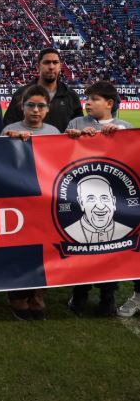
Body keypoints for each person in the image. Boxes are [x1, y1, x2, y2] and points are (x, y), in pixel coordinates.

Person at [65, 81, 133, 317]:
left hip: (112, 199)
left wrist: (118, 138)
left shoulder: (125, 127)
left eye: (93, 99)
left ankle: (108, 294)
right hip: (80, 196)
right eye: (87, 98)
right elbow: (61, 155)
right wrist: (72, 137)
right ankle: (80, 291)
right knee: (82, 245)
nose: (88, 103)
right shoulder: (76, 123)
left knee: (110, 249)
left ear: (109, 103)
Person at [0, 86, 59, 320]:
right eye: (31, 105)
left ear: (48, 108)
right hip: (19, 202)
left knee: (44, 251)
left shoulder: (55, 132)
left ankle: (37, 296)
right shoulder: (9, 130)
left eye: (41, 106)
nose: (35, 110)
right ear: (21, 107)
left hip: (46, 202)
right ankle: (17, 296)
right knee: (20, 251)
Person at [3, 48, 83, 132]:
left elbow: (80, 127)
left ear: (60, 66)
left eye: (55, 62)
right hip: (29, 144)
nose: (51, 67)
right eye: (47, 62)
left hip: (62, 145)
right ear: (38, 66)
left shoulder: (71, 95)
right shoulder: (21, 94)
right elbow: (8, 127)